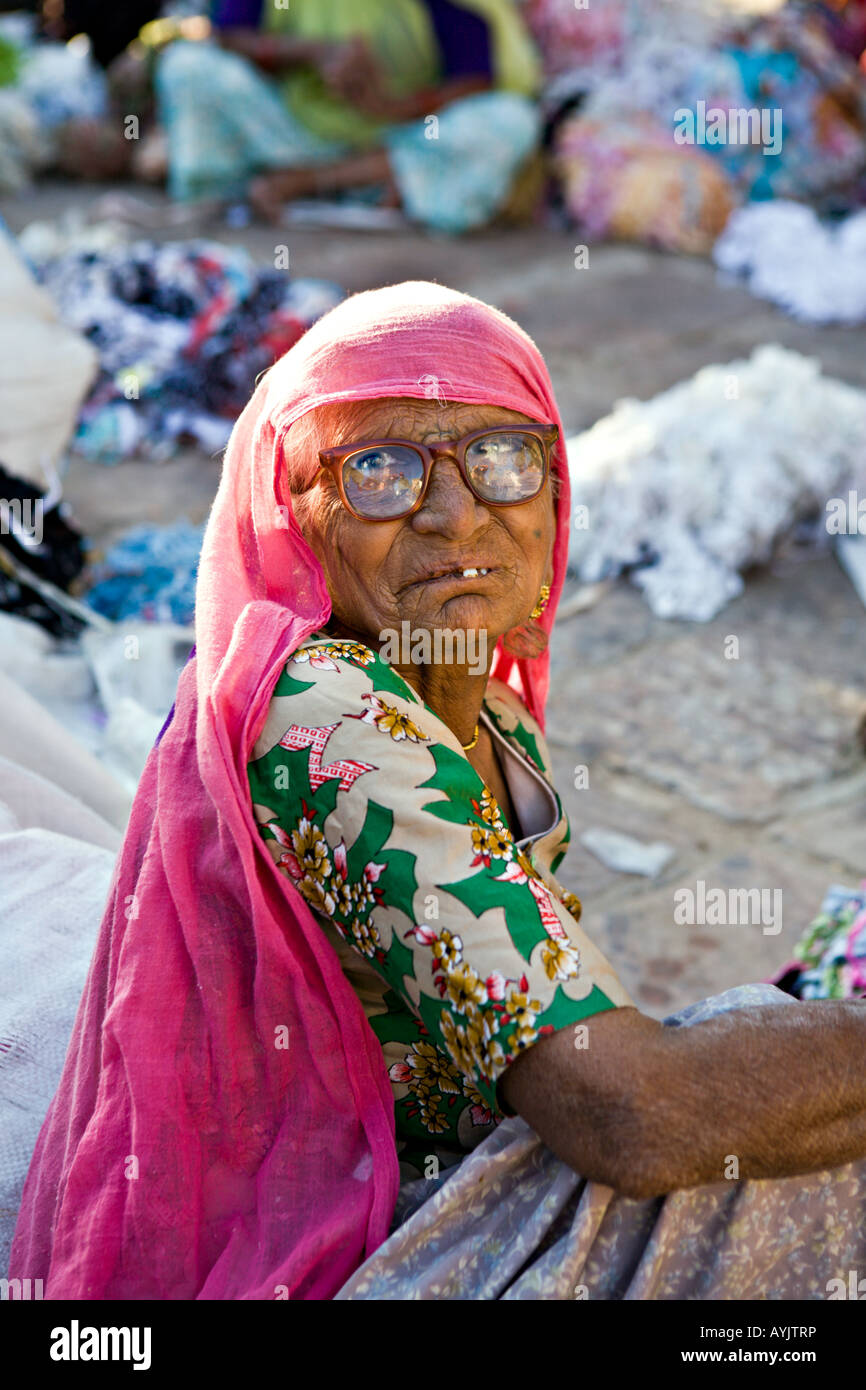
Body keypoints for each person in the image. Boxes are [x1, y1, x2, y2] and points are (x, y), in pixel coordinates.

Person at [10, 282, 866, 1300]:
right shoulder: (326, 713)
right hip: (329, 1243)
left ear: (553, 493)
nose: (455, 513)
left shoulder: (480, 704)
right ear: (301, 510)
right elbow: (627, 1111)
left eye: (502, 460)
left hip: (416, 1167)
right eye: (379, 468)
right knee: (778, 1165)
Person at [154, 0, 543, 233]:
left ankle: (304, 184)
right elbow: (229, 35)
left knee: (510, 121)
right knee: (187, 67)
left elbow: (475, 79)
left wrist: (394, 108)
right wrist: (312, 53)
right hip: (292, 128)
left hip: (398, 136)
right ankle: (241, 193)